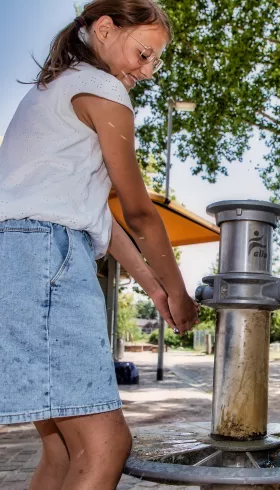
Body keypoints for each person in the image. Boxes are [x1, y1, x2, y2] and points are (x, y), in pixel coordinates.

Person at [0, 1, 198, 488]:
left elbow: (98, 221)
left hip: (20, 256)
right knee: (106, 444)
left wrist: (154, 288)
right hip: (44, 256)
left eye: (156, 61)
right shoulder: (102, 89)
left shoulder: (56, 86)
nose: (148, 71)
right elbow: (138, 212)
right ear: (105, 30)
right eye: (144, 53)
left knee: (64, 452)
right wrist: (180, 292)